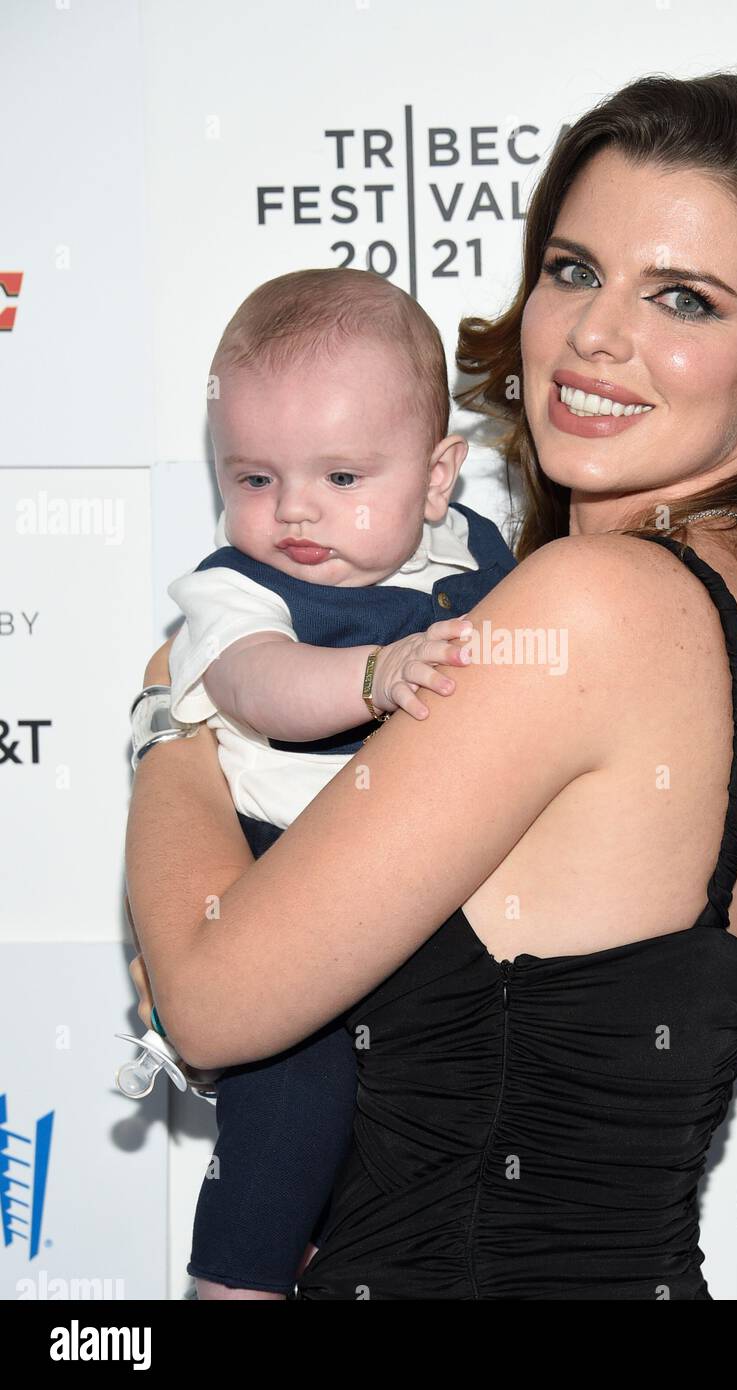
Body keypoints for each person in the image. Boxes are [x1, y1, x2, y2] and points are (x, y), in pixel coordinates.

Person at [125, 72, 737, 1299]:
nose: (594, 333)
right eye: (572, 270)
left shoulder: (586, 605)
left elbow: (207, 994)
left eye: (682, 297)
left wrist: (175, 719)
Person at [137, 268, 518, 1300]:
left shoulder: (472, 556)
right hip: (279, 865)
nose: (294, 509)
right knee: (291, 1086)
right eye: (253, 479)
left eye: (343, 478)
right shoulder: (233, 592)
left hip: (419, 889)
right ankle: (235, 1279)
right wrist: (368, 675)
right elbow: (256, 686)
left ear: (439, 478)